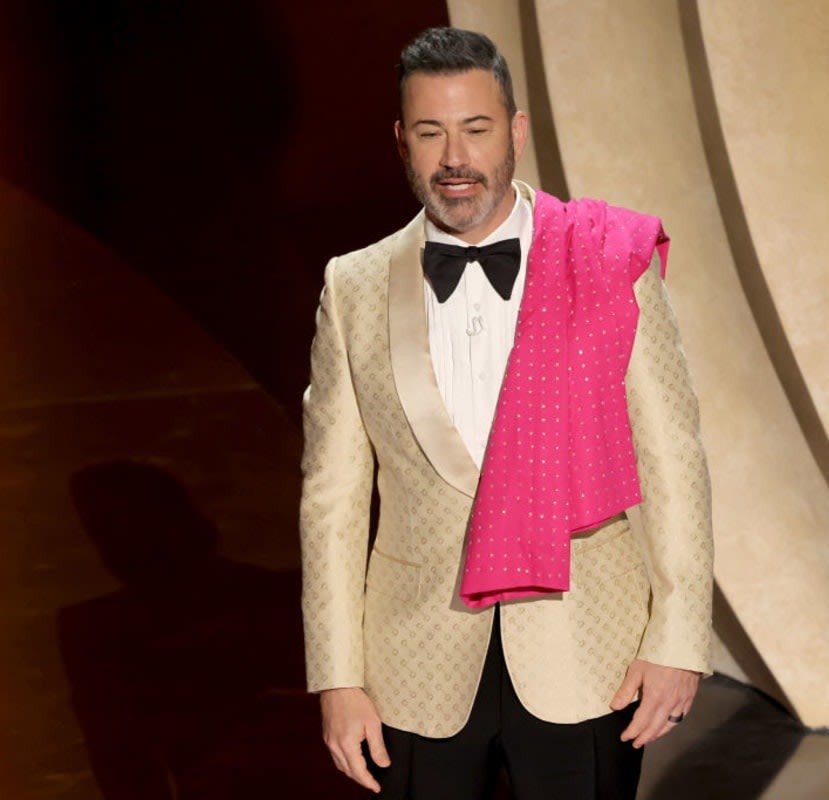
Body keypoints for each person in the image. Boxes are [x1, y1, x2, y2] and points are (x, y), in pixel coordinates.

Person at [299, 26, 713, 800]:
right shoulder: (352, 287)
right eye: (431, 132)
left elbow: (673, 458)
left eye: (476, 128)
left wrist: (680, 641)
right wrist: (337, 677)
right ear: (402, 142)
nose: (455, 157)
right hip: (414, 664)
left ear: (516, 133)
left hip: (588, 654)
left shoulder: (606, 262)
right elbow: (331, 501)